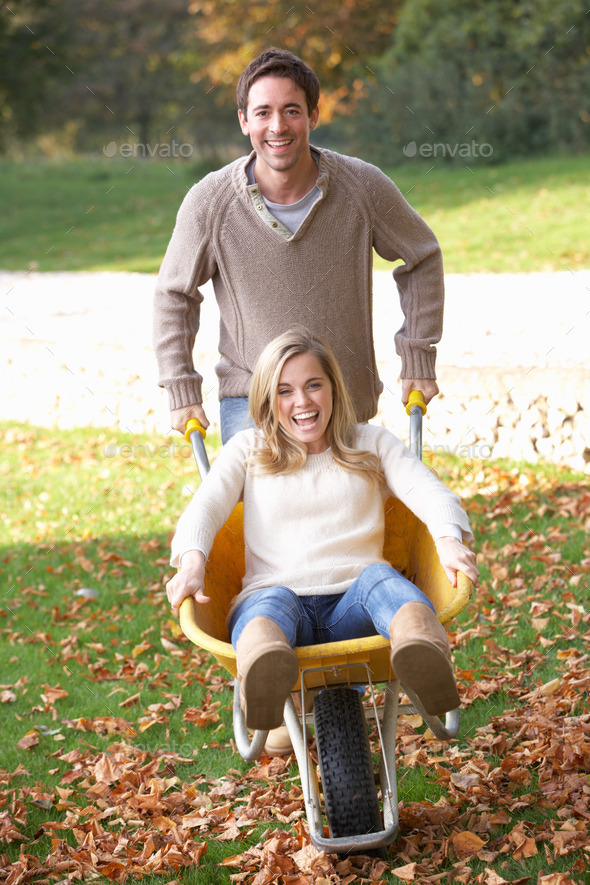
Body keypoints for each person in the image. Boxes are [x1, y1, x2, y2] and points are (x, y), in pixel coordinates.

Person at [166, 328, 479, 738]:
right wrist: (192, 562)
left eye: (314, 385)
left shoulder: (369, 443)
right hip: (278, 603)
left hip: (357, 606)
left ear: (334, 388)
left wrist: (447, 541)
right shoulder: (249, 449)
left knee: (380, 579)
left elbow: (427, 489)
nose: (302, 402)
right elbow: (204, 507)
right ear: (267, 400)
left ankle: (423, 652)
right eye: (285, 391)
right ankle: (264, 675)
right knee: (266, 608)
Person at [153, 48, 445, 443]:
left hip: (342, 400)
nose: (277, 126)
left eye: (291, 110)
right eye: (262, 112)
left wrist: (418, 357)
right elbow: (174, 294)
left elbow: (422, 256)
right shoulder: (210, 202)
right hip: (253, 402)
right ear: (244, 121)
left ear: (313, 115)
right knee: (261, 505)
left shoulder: (363, 187)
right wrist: (181, 388)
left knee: (350, 507)